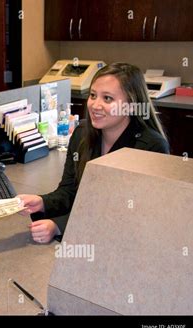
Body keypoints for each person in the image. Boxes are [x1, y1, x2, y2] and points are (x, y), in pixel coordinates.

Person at [18, 63, 170, 244]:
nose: (95, 105)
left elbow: (129, 214)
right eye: (92, 95)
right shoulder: (82, 134)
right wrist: (42, 202)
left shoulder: (150, 146)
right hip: (84, 235)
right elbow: (70, 191)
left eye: (107, 98)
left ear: (131, 106)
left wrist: (60, 225)